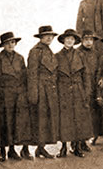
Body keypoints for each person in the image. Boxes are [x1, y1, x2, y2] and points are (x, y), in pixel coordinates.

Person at [0, 32, 32, 162]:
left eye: (12, 42)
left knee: (17, 122)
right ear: (3, 45)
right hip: (3, 95)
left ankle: (13, 150)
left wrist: (25, 93)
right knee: (5, 123)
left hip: (18, 94)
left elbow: (24, 76)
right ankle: (2, 150)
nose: (10, 45)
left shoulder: (20, 58)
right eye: (7, 43)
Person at [55, 29, 93, 158]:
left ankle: (77, 147)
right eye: (67, 39)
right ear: (63, 41)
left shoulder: (80, 55)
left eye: (72, 39)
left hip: (78, 90)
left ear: (74, 41)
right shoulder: (57, 56)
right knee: (65, 120)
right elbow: (55, 77)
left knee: (78, 119)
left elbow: (86, 75)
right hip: (63, 91)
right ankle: (64, 147)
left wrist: (86, 92)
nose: (70, 41)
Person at [27, 25, 59, 159]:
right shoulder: (36, 51)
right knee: (40, 120)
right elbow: (32, 74)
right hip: (40, 90)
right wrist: (33, 94)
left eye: (51, 35)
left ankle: (41, 148)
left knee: (47, 120)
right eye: (46, 35)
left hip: (50, 90)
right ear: (40, 37)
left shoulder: (49, 50)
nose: (49, 37)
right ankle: (39, 148)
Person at [77, 30, 102, 147]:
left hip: (94, 85)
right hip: (81, 86)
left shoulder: (96, 54)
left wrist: (99, 80)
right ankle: (81, 141)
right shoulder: (77, 52)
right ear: (82, 40)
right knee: (82, 113)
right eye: (86, 39)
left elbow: (99, 69)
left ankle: (94, 136)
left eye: (90, 40)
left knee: (94, 112)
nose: (88, 42)